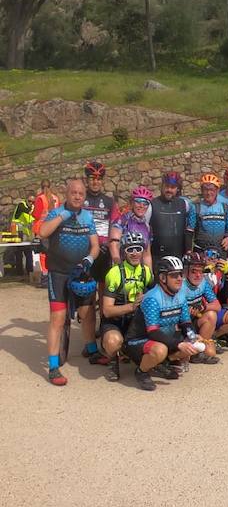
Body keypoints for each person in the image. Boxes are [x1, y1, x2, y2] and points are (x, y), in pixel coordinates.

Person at [37, 176, 100, 384]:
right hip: (58, 273)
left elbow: (95, 245)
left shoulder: (87, 217)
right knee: (58, 317)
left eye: (81, 194)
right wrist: (62, 216)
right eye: (74, 193)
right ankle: (53, 367)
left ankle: (92, 350)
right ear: (67, 193)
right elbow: (42, 232)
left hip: (80, 271)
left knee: (87, 313)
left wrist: (89, 260)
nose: (77, 197)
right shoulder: (56, 213)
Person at [120, 256, 202, 392]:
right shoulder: (152, 298)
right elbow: (152, 331)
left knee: (194, 342)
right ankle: (141, 371)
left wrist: (192, 336)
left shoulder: (181, 295)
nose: (179, 279)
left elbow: (186, 322)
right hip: (138, 341)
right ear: (163, 278)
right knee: (161, 350)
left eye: (180, 274)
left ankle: (160, 363)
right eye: (174, 275)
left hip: (161, 338)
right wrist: (178, 344)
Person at [97, 232, 152, 368]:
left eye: (138, 249)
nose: (135, 253)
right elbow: (107, 311)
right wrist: (131, 307)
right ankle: (112, 359)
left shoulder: (146, 272)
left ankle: (128, 352)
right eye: (130, 249)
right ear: (123, 252)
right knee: (113, 341)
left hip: (134, 322)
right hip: (115, 321)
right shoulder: (114, 273)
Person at [179, 251, 228, 359]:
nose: (198, 275)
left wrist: (202, 307)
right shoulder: (179, 285)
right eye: (193, 271)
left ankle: (197, 351)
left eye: (201, 271)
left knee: (211, 315)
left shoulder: (203, 282)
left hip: (193, 321)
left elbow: (217, 306)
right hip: (179, 325)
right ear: (185, 271)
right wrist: (186, 311)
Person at [81, 160, 119, 281]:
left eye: (98, 179)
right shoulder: (80, 199)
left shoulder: (109, 202)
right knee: (84, 287)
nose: (95, 182)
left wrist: (112, 247)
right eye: (92, 178)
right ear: (86, 180)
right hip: (83, 250)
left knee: (104, 285)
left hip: (103, 251)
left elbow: (115, 226)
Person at [149, 171, 194, 264]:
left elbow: (189, 228)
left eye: (172, 187)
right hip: (157, 255)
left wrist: (188, 250)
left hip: (178, 254)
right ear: (162, 186)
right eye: (166, 186)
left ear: (178, 189)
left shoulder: (184, 204)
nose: (169, 190)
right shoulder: (152, 204)